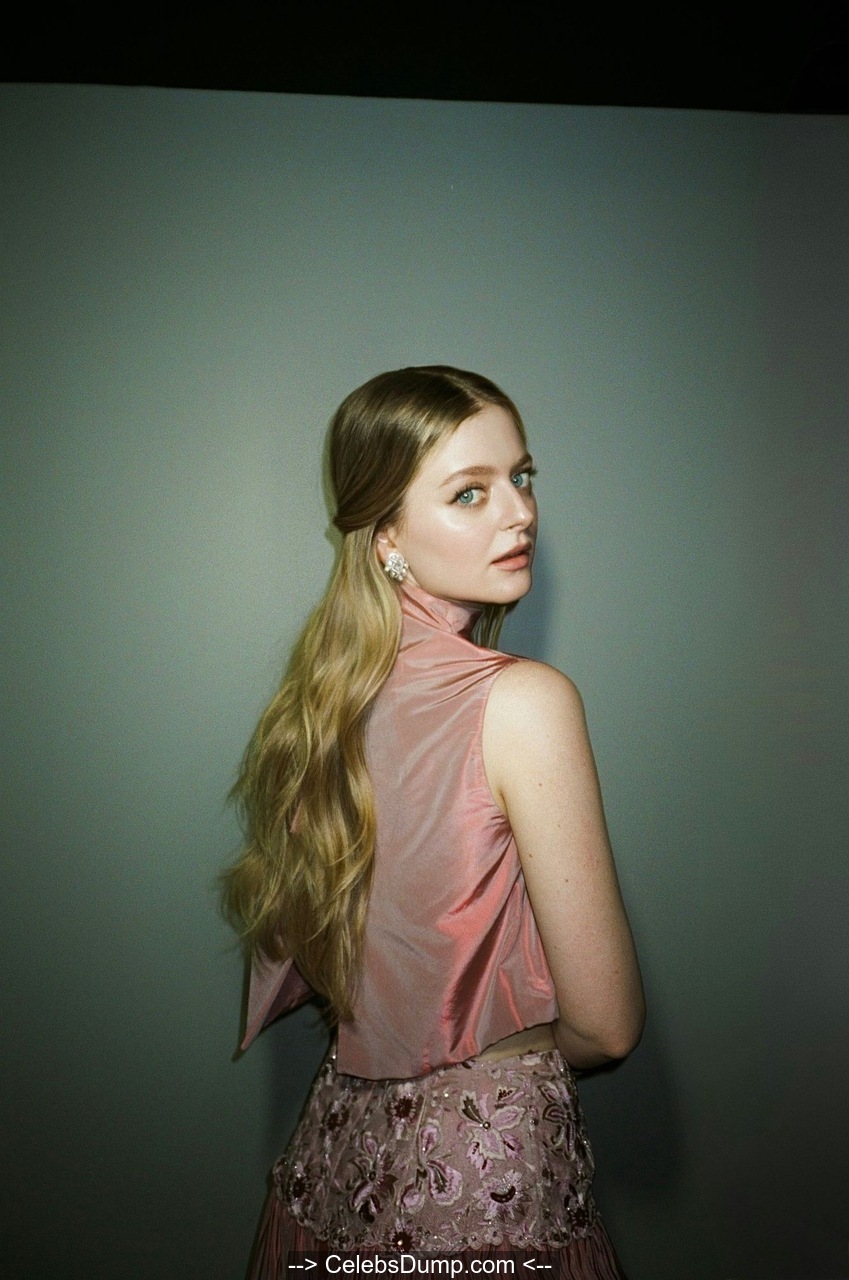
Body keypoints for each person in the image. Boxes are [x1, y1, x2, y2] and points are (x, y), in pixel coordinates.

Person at [223, 366, 645, 1278]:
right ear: (385, 535)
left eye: (520, 477)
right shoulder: (523, 702)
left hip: (331, 1165)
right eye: (469, 492)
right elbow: (607, 1029)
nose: (520, 513)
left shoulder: (325, 705)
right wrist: (502, 1066)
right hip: (483, 1190)